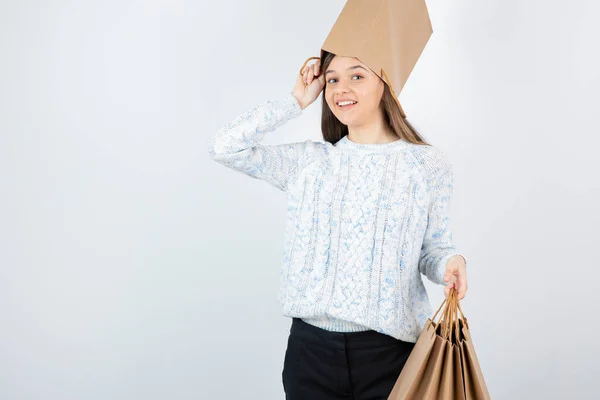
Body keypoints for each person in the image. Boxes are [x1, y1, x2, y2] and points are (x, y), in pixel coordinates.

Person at [207, 50, 468, 399]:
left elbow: (433, 250)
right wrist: (296, 100)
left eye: (357, 76)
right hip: (310, 354)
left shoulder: (425, 164)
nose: (340, 89)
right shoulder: (309, 163)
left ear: (385, 82)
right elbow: (225, 147)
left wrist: (451, 262)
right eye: (332, 79)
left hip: (392, 356)